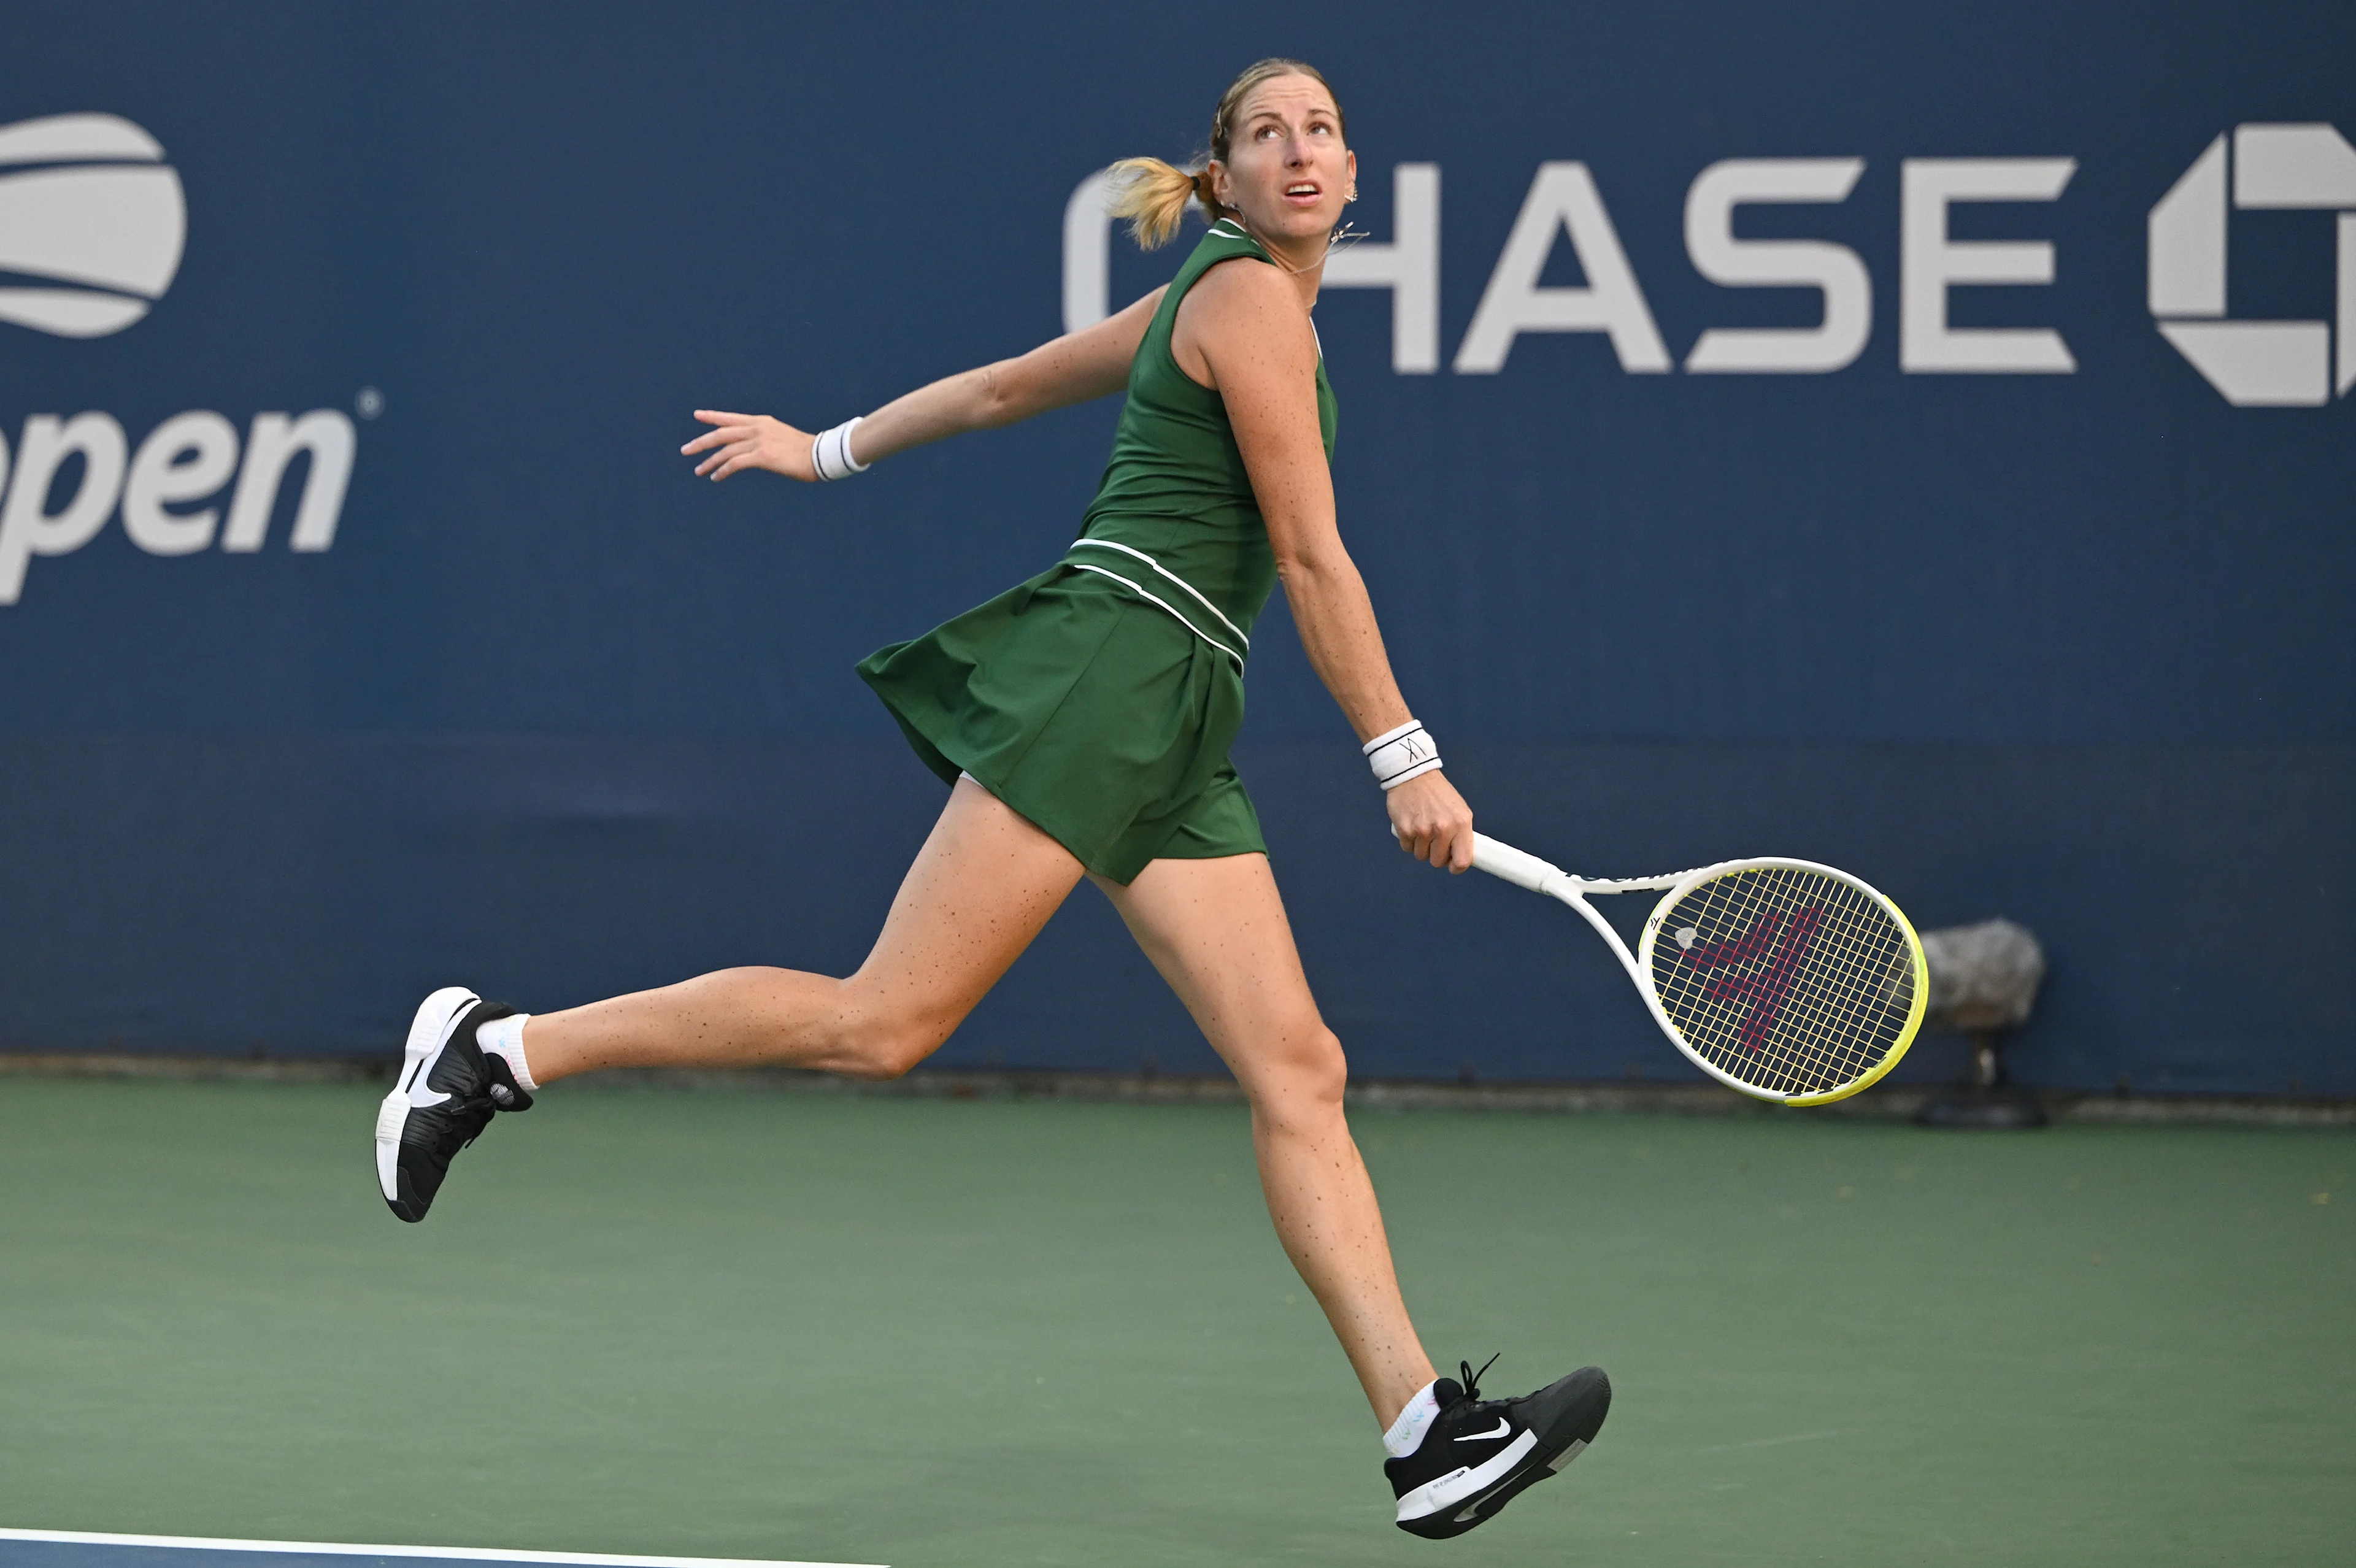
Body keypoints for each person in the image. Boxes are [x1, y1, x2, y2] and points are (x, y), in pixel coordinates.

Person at [371, 57, 1607, 1537]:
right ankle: (492, 1055)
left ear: (1350, 179)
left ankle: (1421, 1434)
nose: (1298, 150)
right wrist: (1404, 755)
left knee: (1302, 1069)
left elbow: (1005, 386)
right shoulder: (1246, 300)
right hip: (1112, 669)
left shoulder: (1205, 303)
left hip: (1179, 714)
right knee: (886, 1019)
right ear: (1218, 180)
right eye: (1265, 132)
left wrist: (825, 449)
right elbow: (1311, 554)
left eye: (1322, 130)